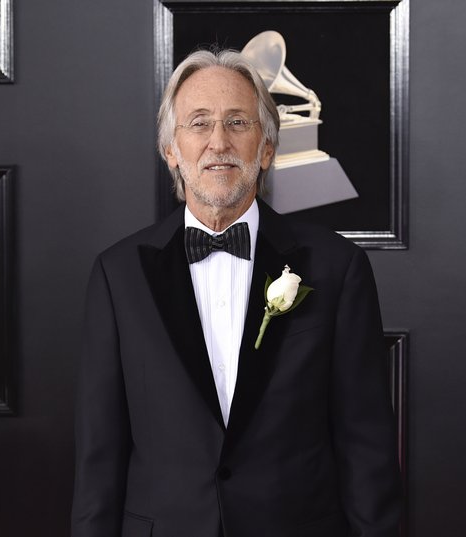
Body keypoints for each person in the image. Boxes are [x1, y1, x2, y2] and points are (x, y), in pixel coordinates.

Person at [71, 49, 402, 537]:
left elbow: (365, 445)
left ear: (266, 148)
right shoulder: (117, 274)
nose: (218, 142)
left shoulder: (337, 268)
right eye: (199, 123)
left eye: (237, 123)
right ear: (171, 150)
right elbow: (98, 456)